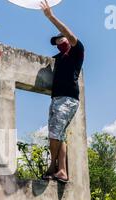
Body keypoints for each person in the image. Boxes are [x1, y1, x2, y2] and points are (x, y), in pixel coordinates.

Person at [40, 0, 85, 183]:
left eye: (61, 39)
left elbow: (70, 35)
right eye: (56, 41)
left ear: (68, 39)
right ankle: (62, 171)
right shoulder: (58, 58)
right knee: (59, 135)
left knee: (54, 134)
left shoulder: (76, 52)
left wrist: (51, 17)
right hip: (56, 99)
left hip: (68, 99)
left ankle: (52, 166)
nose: (59, 42)